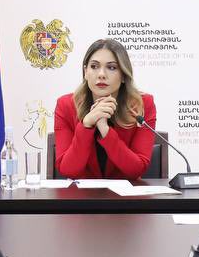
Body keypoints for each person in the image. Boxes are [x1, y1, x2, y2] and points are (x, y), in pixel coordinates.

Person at [53, 39, 157, 179]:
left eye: (112, 67)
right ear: (85, 72)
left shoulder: (142, 105)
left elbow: (136, 170)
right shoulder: (66, 105)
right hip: (82, 192)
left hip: (125, 192)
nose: (101, 74)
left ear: (123, 75)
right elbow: (68, 170)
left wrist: (105, 129)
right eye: (94, 66)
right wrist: (86, 125)